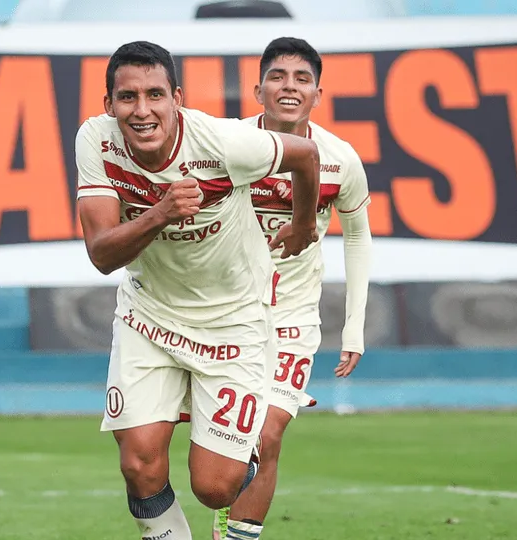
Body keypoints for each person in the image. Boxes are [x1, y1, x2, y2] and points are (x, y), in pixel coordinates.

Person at [75, 40, 321, 540]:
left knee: (215, 488)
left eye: (154, 95)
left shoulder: (223, 143)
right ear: (108, 105)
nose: (142, 111)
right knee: (139, 465)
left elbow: (306, 153)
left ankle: (242, 447)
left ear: (177, 98)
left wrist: (302, 224)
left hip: (233, 321)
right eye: (127, 98)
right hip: (150, 316)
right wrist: (162, 211)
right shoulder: (96, 140)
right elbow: (101, 254)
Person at [212, 37, 372, 540]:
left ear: (317, 94)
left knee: (268, 431)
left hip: (292, 318)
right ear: (258, 90)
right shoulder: (225, 144)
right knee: (222, 447)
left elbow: (359, 236)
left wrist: (354, 328)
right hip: (223, 313)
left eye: (302, 79)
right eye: (278, 77)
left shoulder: (339, 159)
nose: (289, 87)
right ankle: (220, 505)